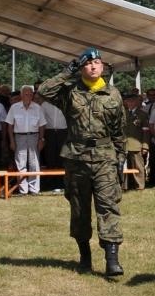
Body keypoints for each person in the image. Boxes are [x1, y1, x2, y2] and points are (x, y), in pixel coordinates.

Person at [38, 48, 127, 277]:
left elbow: (119, 130)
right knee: (79, 209)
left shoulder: (113, 94)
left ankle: (112, 259)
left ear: (103, 66)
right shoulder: (70, 92)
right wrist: (68, 72)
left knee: (108, 206)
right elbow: (44, 91)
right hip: (76, 158)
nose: (93, 66)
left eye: (97, 62)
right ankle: (84, 256)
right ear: (81, 67)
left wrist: (121, 158)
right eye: (88, 63)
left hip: (105, 158)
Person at [4, 85, 47, 195]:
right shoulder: (14, 107)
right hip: (19, 137)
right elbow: (9, 126)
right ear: (21, 95)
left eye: (30, 94)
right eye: (26, 94)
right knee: (20, 163)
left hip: (34, 136)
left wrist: (41, 139)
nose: (28, 96)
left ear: (32, 95)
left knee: (34, 163)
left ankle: (34, 189)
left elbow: (42, 125)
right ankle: (23, 190)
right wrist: (12, 141)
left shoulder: (38, 107)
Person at [121, 90, 149, 190]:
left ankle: (140, 185)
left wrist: (145, 146)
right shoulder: (123, 114)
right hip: (124, 144)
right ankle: (124, 185)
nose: (130, 103)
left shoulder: (142, 114)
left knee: (138, 166)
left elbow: (146, 131)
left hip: (137, 145)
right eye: (128, 101)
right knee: (124, 166)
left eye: (132, 101)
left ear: (137, 101)